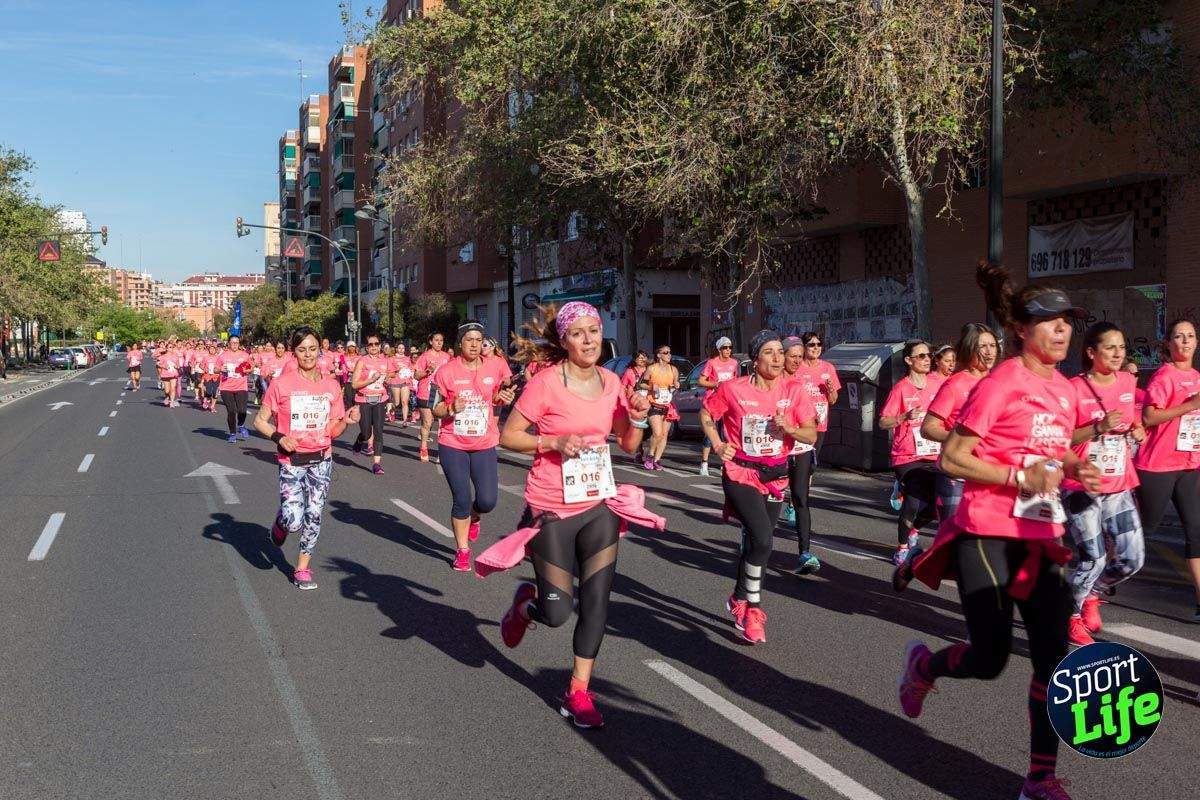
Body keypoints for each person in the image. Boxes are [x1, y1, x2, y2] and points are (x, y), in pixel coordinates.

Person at [899, 264, 1100, 800]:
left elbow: (1049, 449)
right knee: (990, 659)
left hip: (1041, 535)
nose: (1062, 331)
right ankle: (925, 665)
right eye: (1049, 322)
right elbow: (953, 456)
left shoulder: (1065, 390)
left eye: (1067, 322)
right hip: (986, 532)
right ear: (1021, 330)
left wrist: (1073, 468)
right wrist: (1018, 476)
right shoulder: (999, 384)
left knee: (1054, 661)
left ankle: (1039, 778)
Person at [493, 301, 652, 728]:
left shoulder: (612, 381)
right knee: (558, 611)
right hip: (551, 509)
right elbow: (508, 436)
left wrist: (638, 418)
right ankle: (526, 608)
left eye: (594, 331)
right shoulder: (546, 383)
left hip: (598, 504)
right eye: (578, 333)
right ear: (563, 340)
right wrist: (554, 442)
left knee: (597, 603)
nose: (588, 340)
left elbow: (629, 444)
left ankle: (578, 692)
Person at [700, 330, 817, 643]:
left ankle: (738, 599)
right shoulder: (732, 389)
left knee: (757, 547)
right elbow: (707, 413)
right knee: (763, 540)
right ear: (755, 359)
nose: (778, 358)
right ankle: (753, 609)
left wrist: (789, 427)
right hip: (739, 472)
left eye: (781, 352)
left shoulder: (794, 391)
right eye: (769, 352)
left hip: (775, 477)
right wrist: (717, 443)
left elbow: (811, 435)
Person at [1061, 322, 1146, 645]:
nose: (1117, 353)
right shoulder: (1075, 388)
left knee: (1132, 559)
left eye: (1121, 347)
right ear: (1091, 352)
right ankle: (1071, 615)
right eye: (1110, 347)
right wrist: (1096, 428)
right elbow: (1062, 438)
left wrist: (1136, 428)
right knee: (1093, 558)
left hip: (1119, 485)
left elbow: (1130, 418)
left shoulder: (1127, 380)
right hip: (1081, 487)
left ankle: (1093, 592)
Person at [255, 326, 358, 590]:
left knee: (314, 514)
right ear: (294, 353)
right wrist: (280, 437)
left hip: (322, 459)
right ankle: (281, 521)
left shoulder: (331, 386)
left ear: (319, 351)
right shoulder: (281, 384)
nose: (308, 354)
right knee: (293, 519)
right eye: (302, 349)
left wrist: (345, 421)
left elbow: (333, 430)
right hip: (292, 460)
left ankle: (302, 568)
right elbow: (260, 421)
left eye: (313, 349)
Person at [432, 321, 515, 570]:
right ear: (460, 343)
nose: (475, 344)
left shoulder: (494, 366)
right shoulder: (446, 372)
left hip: (484, 442)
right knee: (461, 497)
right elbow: (434, 408)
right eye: (470, 340)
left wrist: (503, 398)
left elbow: (498, 397)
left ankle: (475, 515)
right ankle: (463, 551)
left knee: (488, 500)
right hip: (452, 442)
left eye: (479, 340)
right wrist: (449, 408)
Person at [1134, 318, 1200, 619]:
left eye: (1190, 336)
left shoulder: (1198, 376)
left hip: (1189, 465)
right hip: (1158, 465)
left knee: (1196, 530)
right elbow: (1148, 417)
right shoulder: (1165, 375)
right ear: (1168, 344)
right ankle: (1099, 577)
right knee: (1143, 529)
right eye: (1178, 336)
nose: (1185, 342)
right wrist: (1189, 405)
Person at [921, 323, 1000, 522]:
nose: (989, 352)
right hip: (956, 474)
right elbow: (928, 428)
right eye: (983, 346)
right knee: (953, 540)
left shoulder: (1000, 383)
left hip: (989, 474)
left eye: (993, 346)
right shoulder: (955, 384)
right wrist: (961, 440)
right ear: (969, 348)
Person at [879, 340, 945, 565]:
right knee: (914, 502)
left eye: (929, 355)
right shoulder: (901, 388)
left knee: (939, 503)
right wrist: (903, 417)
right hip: (907, 455)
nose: (927, 360)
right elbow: (883, 422)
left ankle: (915, 529)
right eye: (922, 356)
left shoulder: (938, 385)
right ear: (909, 360)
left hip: (934, 453)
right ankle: (903, 547)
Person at [780, 337, 820, 574]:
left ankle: (804, 552)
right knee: (767, 498)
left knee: (800, 498)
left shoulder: (799, 386)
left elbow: (810, 418)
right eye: (792, 356)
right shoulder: (771, 383)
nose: (796, 360)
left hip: (800, 448)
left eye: (799, 356)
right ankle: (753, 538)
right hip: (774, 449)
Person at [793, 332, 840, 474]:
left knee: (811, 464)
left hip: (820, 423)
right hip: (800, 423)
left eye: (819, 344)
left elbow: (832, 400)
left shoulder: (828, 368)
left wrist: (831, 390)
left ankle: (803, 493)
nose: (816, 348)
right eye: (811, 345)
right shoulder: (797, 367)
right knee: (798, 462)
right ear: (804, 347)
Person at [695, 337, 739, 476]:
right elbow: (701, 381)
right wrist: (716, 384)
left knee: (727, 434)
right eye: (725, 348)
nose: (728, 350)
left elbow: (736, 380)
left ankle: (725, 464)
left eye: (730, 347)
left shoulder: (734, 363)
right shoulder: (712, 363)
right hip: (713, 401)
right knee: (711, 433)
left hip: (728, 402)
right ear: (719, 349)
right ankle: (704, 463)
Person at [350, 335, 392, 475]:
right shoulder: (362, 361)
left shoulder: (385, 361)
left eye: (376, 344)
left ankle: (377, 464)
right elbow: (355, 384)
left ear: (380, 345)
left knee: (379, 432)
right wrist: (370, 380)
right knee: (367, 433)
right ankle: (360, 439)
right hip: (364, 399)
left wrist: (387, 379)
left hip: (380, 399)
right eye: (370, 344)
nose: (374, 346)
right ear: (367, 347)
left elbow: (391, 376)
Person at [413, 332, 451, 462]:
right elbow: (416, 376)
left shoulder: (447, 357)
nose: (439, 343)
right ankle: (424, 447)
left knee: (442, 424)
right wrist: (428, 370)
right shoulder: (425, 357)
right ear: (431, 342)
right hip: (426, 392)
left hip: (441, 393)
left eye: (441, 340)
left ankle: (442, 451)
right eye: (436, 340)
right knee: (427, 422)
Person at [643, 344, 680, 470]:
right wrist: (651, 387)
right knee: (657, 433)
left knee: (664, 435)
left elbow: (675, 384)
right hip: (654, 404)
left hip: (667, 405)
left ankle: (657, 460)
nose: (669, 355)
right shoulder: (652, 369)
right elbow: (641, 384)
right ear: (659, 355)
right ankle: (650, 455)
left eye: (669, 352)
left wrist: (676, 385)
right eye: (665, 352)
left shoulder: (673, 369)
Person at [216, 335, 253, 443]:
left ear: (239, 343)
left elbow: (251, 367)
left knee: (242, 410)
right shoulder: (223, 356)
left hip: (241, 386)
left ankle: (241, 425)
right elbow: (215, 368)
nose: (235, 345)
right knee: (231, 411)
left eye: (236, 342)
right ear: (229, 343)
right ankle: (232, 434)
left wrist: (247, 371)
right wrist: (220, 369)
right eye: (232, 342)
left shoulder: (245, 355)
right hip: (226, 387)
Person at [386, 342, 413, 426]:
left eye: (403, 348)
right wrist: (398, 369)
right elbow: (389, 370)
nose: (401, 350)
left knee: (405, 402)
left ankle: (405, 421)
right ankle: (391, 409)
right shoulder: (392, 359)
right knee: (397, 403)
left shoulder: (408, 359)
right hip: (395, 381)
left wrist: (409, 372)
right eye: (399, 348)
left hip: (405, 382)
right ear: (396, 349)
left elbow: (411, 369)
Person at [198, 342, 221, 413]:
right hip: (208, 376)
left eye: (213, 349)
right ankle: (206, 399)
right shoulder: (206, 358)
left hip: (216, 376)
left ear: (216, 350)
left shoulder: (218, 358)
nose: (212, 350)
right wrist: (205, 369)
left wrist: (219, 369)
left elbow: (222, 367)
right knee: (208, 391)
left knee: (215, 392)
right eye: (210, 349)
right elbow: (201, 365)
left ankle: (213, 406)